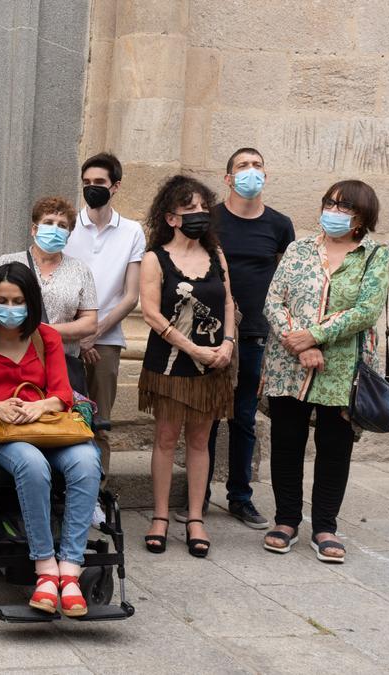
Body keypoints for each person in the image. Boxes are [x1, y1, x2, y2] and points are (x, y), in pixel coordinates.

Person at [0, 262, 101, 617]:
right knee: (31, 464)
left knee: (88, 460)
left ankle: (71, 571)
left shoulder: (45, 336)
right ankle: (46, 569)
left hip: (46, 425)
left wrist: (40, 407)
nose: (10, 308)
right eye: (2, 300)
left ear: (31, 302)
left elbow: (63, 393)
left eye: (18, 301)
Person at [260, 180, 389, 564]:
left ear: (361, 216)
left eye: (343, 205)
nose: (332, 211)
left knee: (335, 445)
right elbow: (273, 300)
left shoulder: (374, 255)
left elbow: (366, 310)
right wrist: (297, 342)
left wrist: (315, 336)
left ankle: (325, 527)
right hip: (289, 361)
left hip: (343, 367)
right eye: (328, 203)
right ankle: (285, 521)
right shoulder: (300, 250)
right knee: (287, 439)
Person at [174, 148, 294, 529]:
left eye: (257, 165)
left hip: (256, 334)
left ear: (266, 175)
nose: (251, 172)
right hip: (209, 332)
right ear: (228, 179)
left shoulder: (279, 225)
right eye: (242, 166)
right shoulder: (211, 221)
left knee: (243, 417)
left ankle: (240, 497)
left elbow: (285, 280)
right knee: (205, 416)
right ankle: (200, 496)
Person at [138, 175, 235, 559]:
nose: (199, 214)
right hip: (170, 365)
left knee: (199, 440)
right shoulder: (154, 258)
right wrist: (193, 348)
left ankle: (196, 518)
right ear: (171, 218)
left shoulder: (217, 255)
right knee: (165, 438)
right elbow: (150, 312)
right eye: (189, 208)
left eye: (202, 207)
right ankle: (159, 516)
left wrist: (226, 343)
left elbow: (228, 302)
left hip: (214, 364)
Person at [64, 153, 146, 476]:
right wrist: (76, 333)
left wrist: (94, 332)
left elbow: (130, 296)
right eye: (86, 183)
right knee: (64, 416)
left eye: (99, 182)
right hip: (66, 336)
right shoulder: (67, 226)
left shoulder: (132, 231)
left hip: (106, 339)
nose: (92, 188)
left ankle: (96, 494)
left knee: (99, 423)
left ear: (115, 186)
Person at [0, 196, 97, 361]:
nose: (55, 229)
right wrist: (11, 330)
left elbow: (90, 322)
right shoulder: (8, 261)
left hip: (60, 361)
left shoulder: (80, 270)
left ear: (68, 235)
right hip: (10, 359)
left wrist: (44, 331)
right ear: (34, 229)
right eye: (49, 222)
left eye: (62, 225)